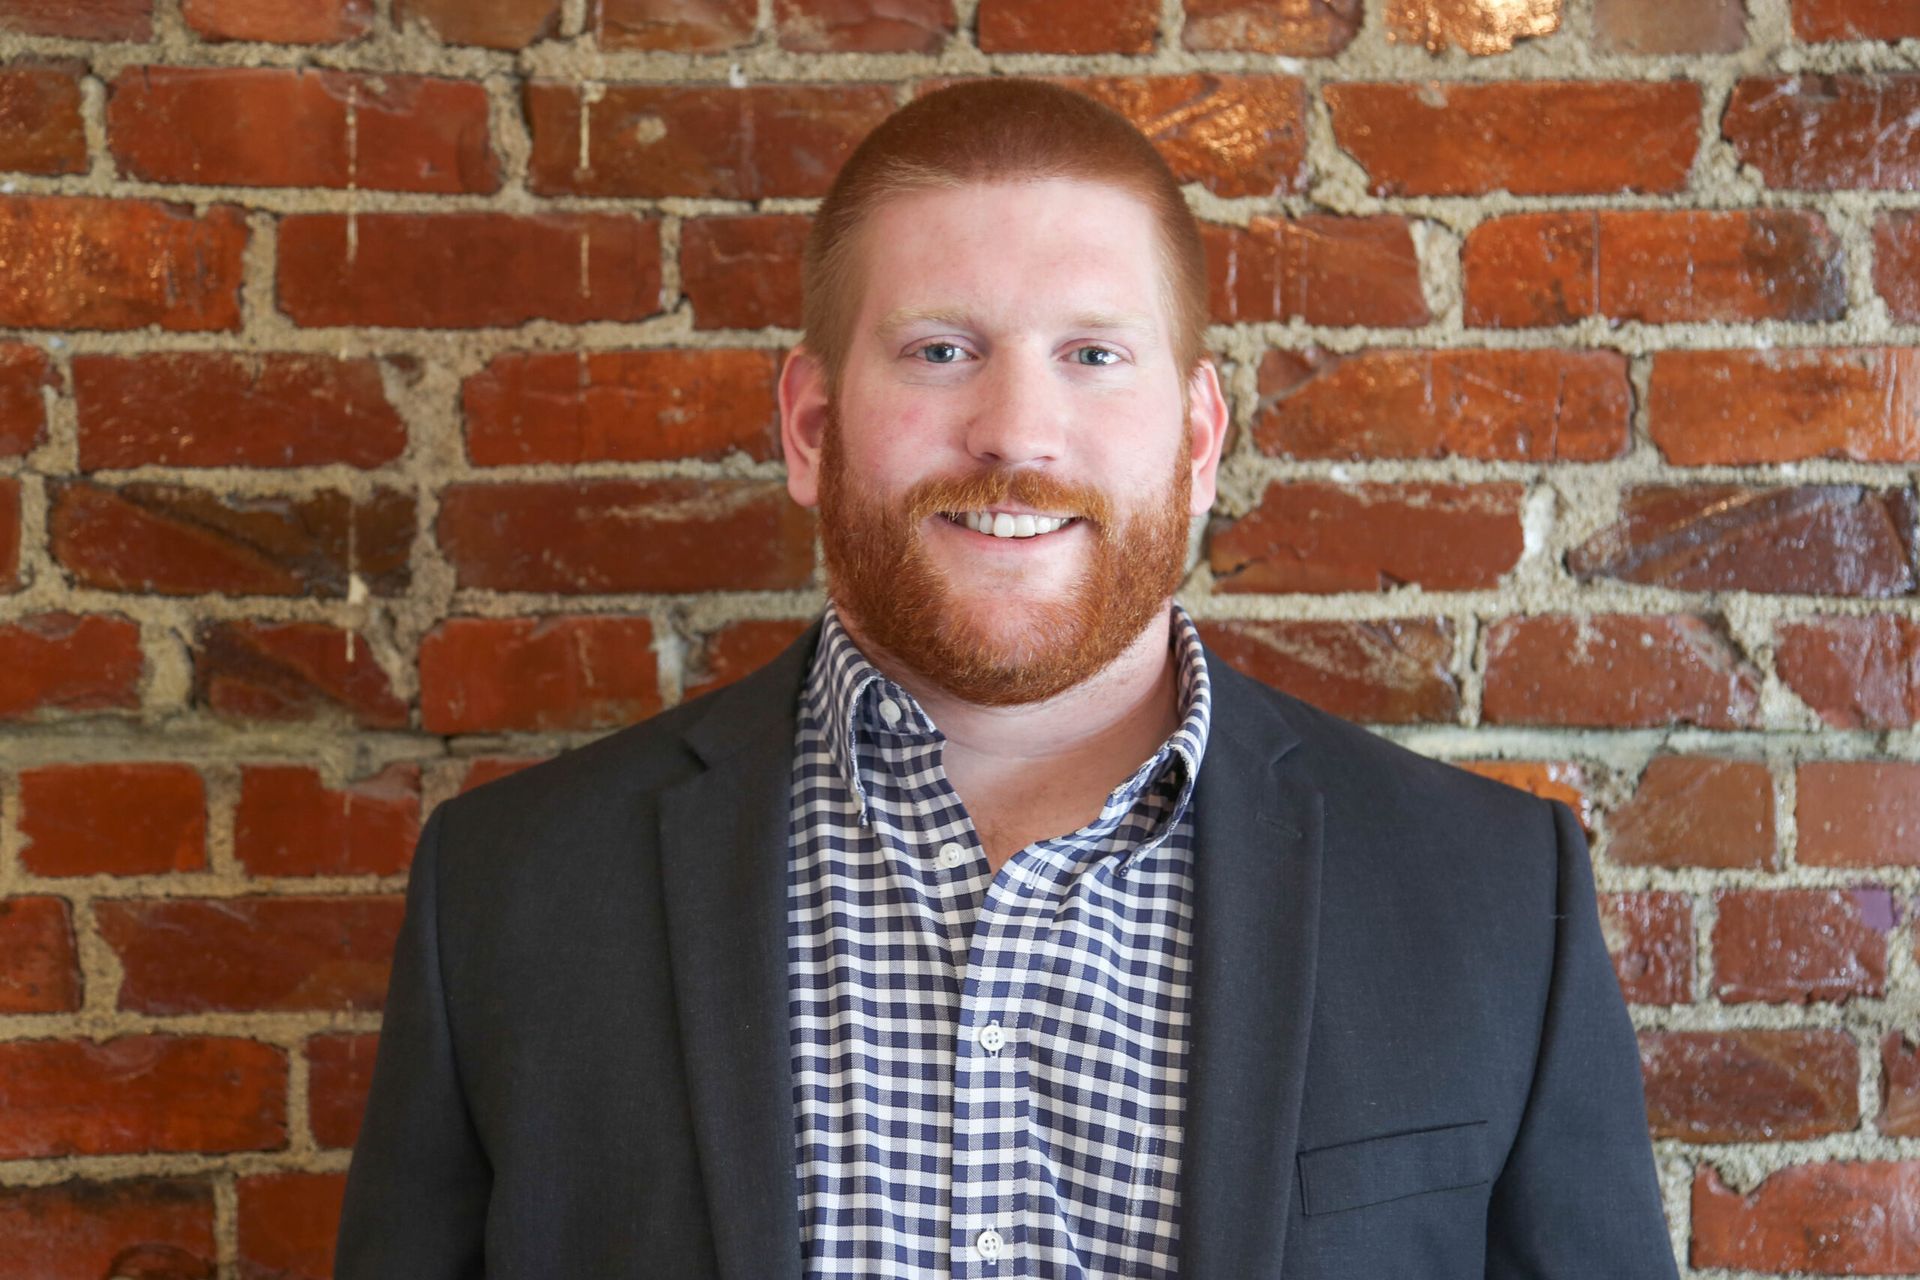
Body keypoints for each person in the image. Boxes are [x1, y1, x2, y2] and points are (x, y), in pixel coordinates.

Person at [334, 78, 1678, 1278]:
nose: (1017, 431)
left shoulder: (1496, 902)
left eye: (1093, 355)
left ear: (1198, 440)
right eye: (941, 351)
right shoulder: (510, 898)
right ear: (811, 427)